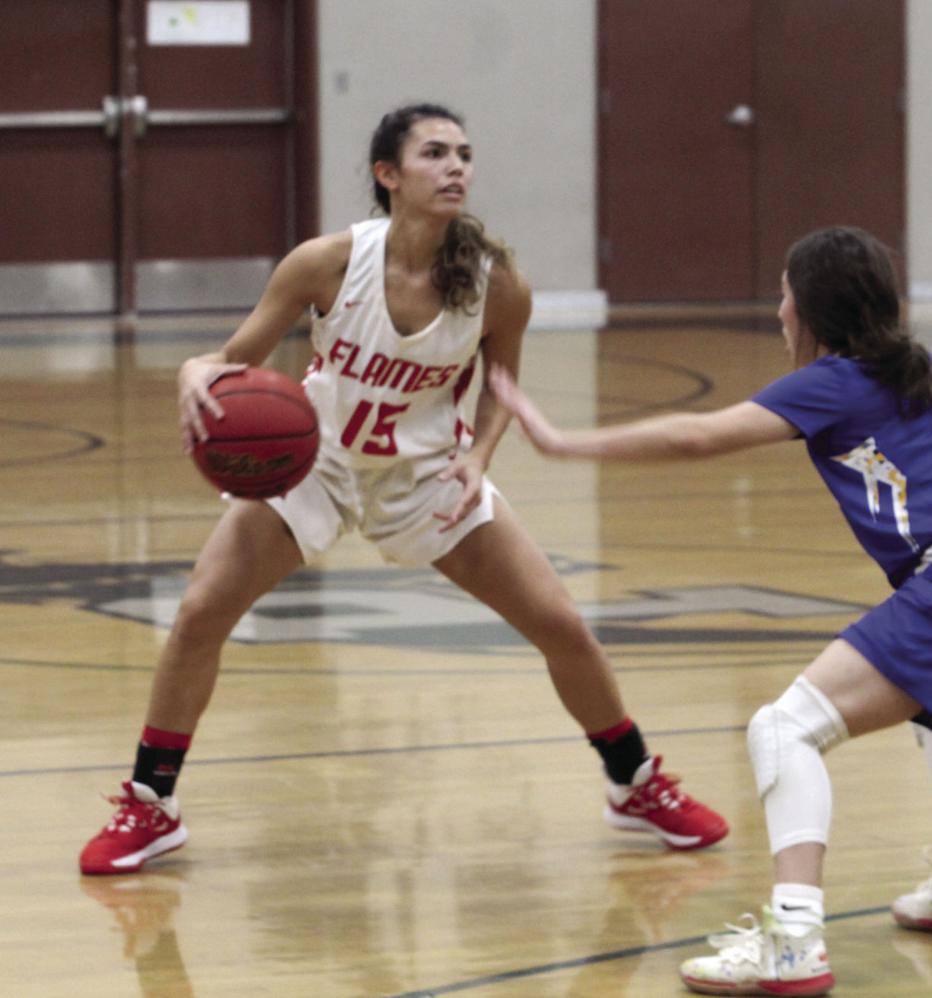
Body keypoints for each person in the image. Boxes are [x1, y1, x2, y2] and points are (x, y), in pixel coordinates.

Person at [79, 102, 727, 876]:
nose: (456, 166)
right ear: (389, 176)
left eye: (464, 152)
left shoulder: (497, 283)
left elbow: (501, 384)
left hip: (425, 472)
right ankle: (152, 807)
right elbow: (234, 358)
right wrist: (194, 370)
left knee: (560, 622)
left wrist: (480, 457)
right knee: (198, 614)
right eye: (434, 153)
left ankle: (635, 785)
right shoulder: (324, 263)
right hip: (313, 463)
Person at [489, 225, 932, 996]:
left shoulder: (835, 378)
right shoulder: (921, 367)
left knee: (782, 730)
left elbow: (697, 437)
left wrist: (563, 442)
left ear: (810, 310)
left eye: (784, 294)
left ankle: (795, 938)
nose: (778, 312)